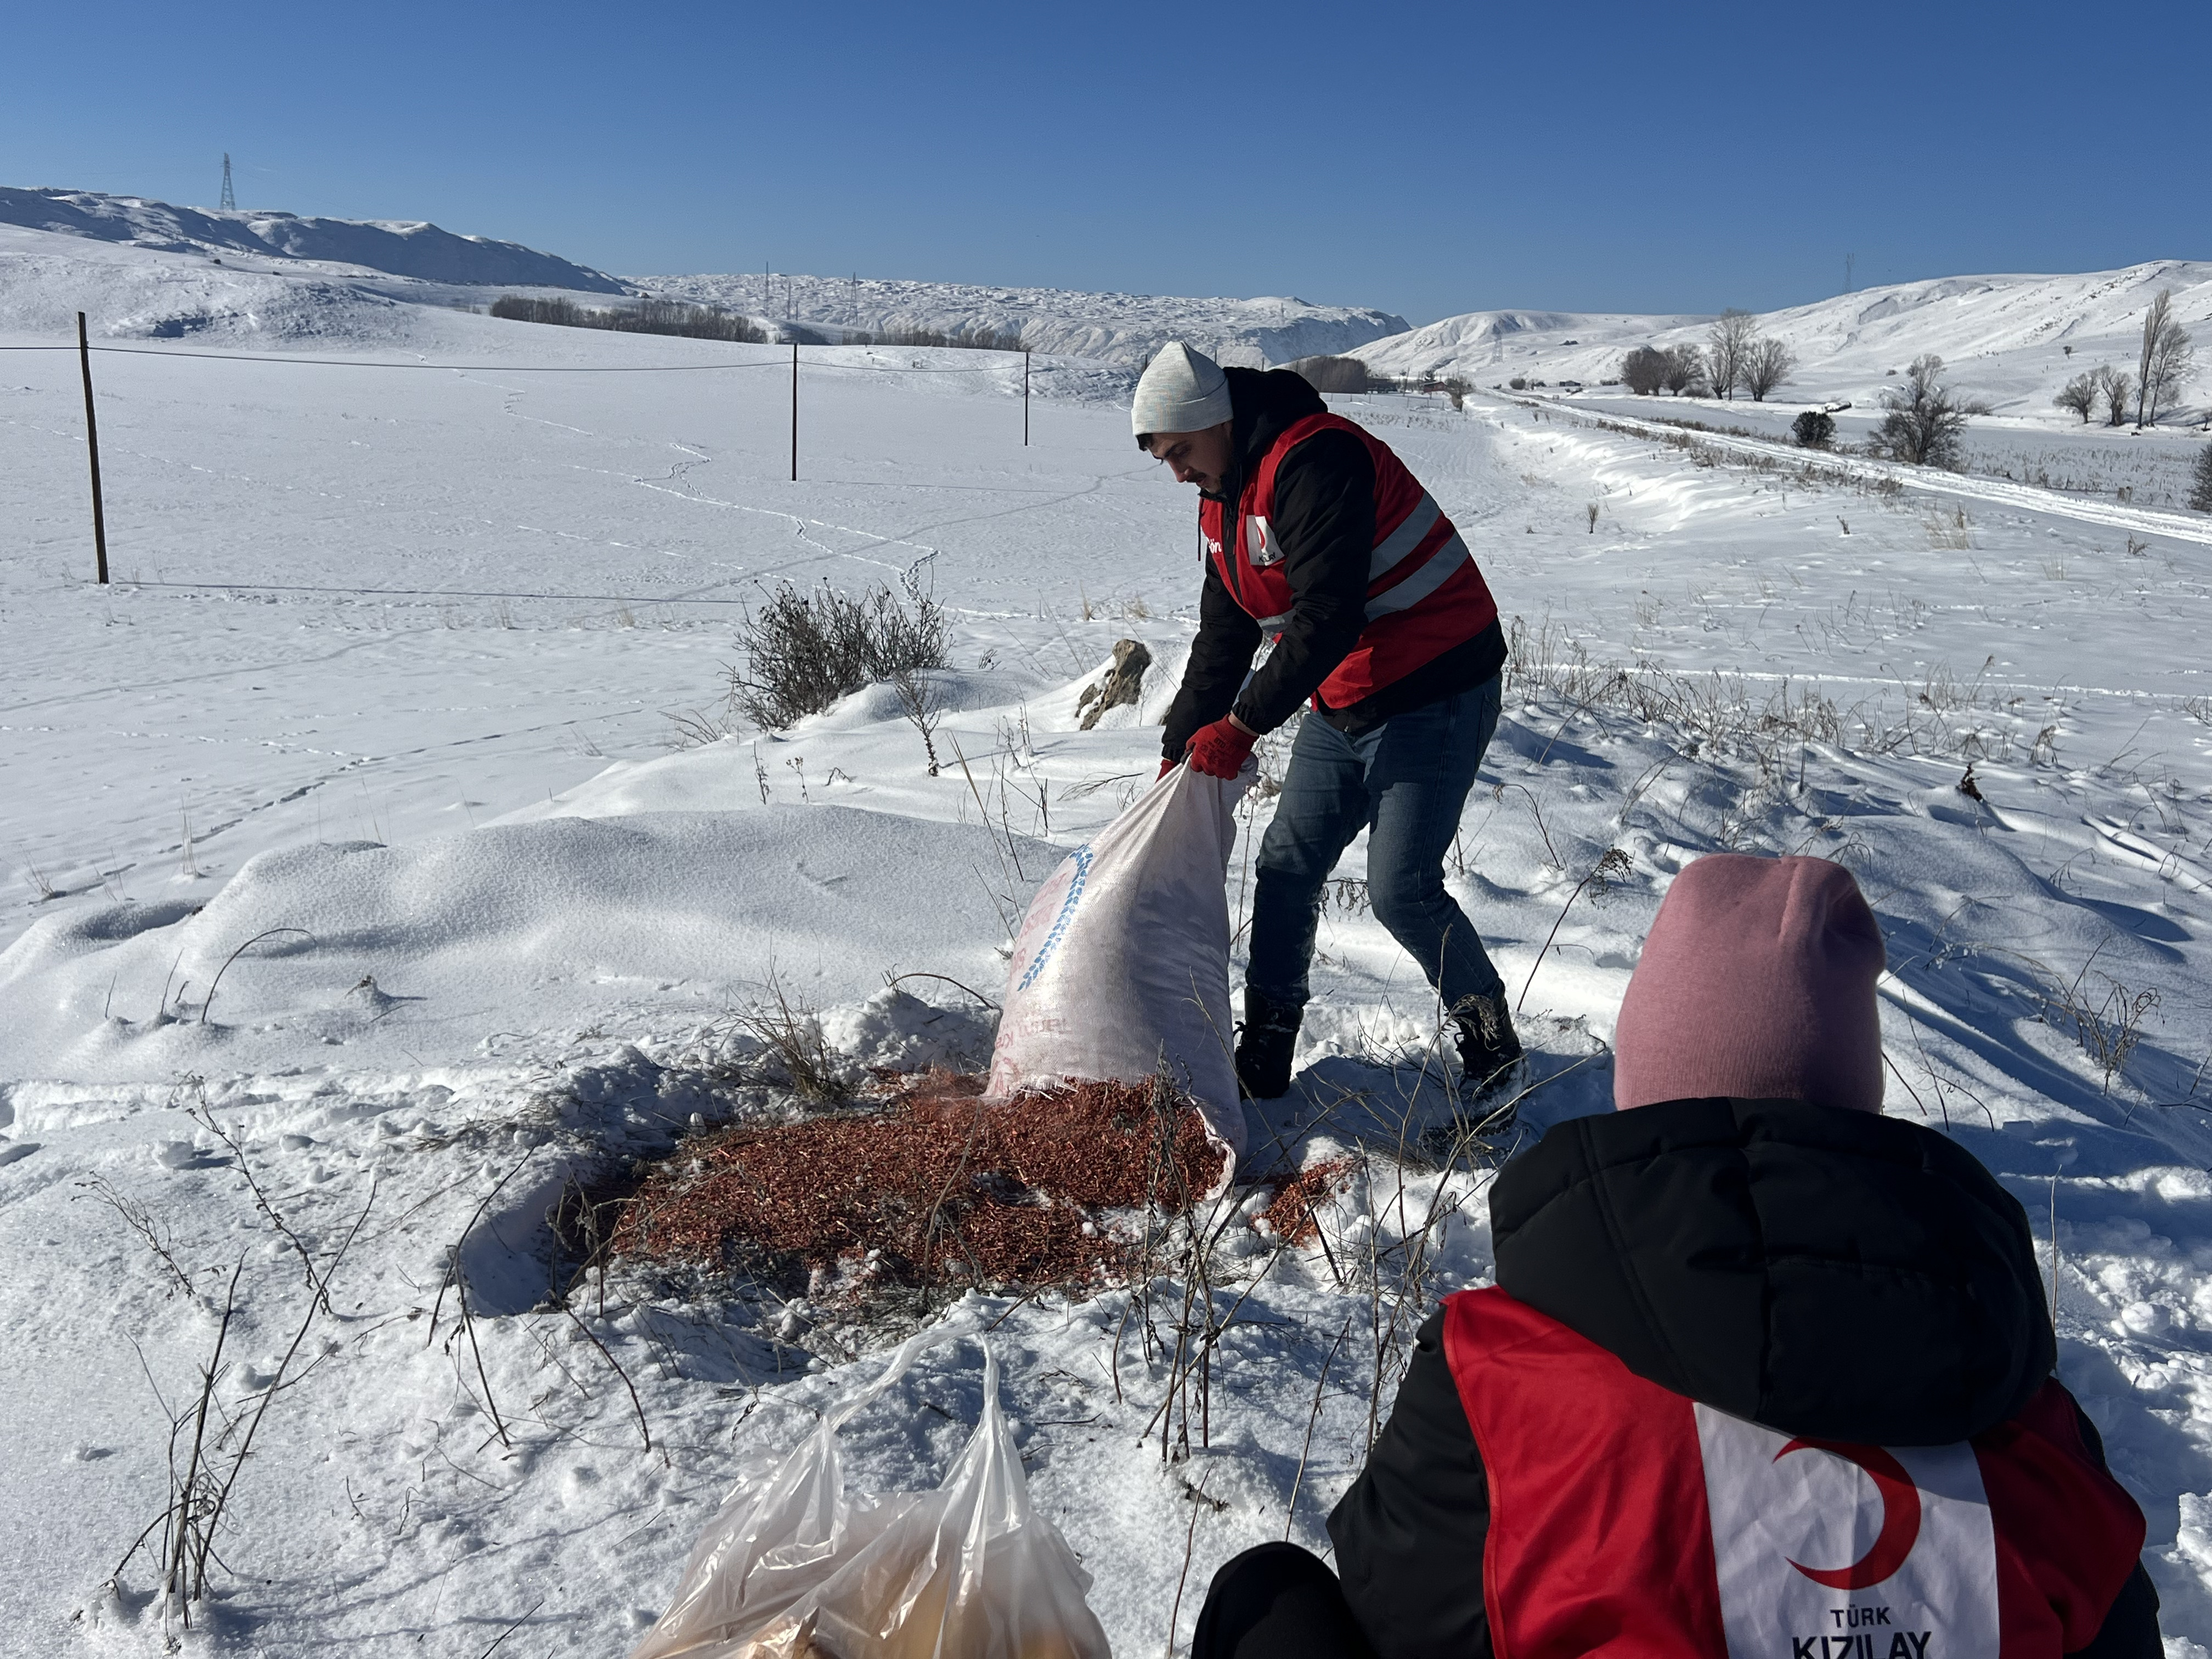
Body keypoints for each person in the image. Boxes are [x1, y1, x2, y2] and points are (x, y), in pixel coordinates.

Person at [1193, 853, 2160, 1659]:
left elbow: (1393, 1611)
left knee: (1267, 1601)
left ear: (1642, 1087)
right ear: (1855, 1101)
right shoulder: (2026, 1412)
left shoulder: (1494, 1376)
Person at [1133, 341, 1517, 1109]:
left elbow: (1330, 616)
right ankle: (1266, 1052)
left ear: (1218, 421)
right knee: (1286, 867)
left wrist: (1241, 726)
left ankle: (1495, 1054)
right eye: (1162, 459)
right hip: (1344, 695)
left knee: (1402, 888)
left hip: (1435, 686)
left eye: (1180, 452)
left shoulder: (1316, 461)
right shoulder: (1223, 497)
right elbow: (1226, 636)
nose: (1175, 473)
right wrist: (1181, 746)